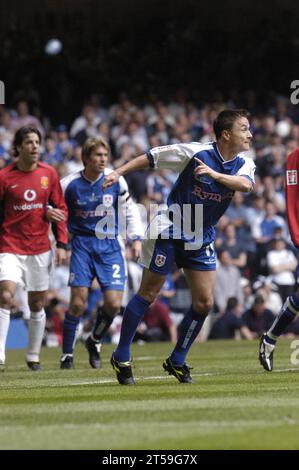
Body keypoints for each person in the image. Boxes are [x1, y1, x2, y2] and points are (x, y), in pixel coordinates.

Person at [103, 108, 255, 385]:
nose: (250, 133)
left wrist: (215, 176)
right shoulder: (195, 152)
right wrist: (118, 171)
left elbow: (245, 186)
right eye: (244, 128)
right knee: (149, 292)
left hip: (201, 234)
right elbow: (152, 157)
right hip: (171, 228)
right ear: (226, 134)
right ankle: (121, 355)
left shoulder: (245, 164)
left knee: (205, 302)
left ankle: (177, 359)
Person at [60, 137, 143, 369]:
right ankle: (67, 355)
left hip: (110, 246)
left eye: (105, 156)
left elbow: (130, 211)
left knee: (114, 304)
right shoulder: (69, 184)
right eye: (97, 155)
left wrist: (135, 238)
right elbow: (53, 209)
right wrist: (60, 242)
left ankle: (94, 339)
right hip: (82, 246)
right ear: (85, 158)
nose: (102, 160)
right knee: (78, 303)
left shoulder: (115, 180)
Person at [0, 126, 68, 370]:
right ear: (18, 147)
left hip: (40, 248)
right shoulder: (4, 177)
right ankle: (0, 355)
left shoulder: (49, 174)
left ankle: (33, 355)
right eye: (29, 142)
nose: (35, 146)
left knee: (37, 303)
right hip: (9, 246)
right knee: (6, 295)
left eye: (37, 142)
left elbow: (60, 209)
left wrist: (61, 243)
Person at [259, 147, 299, 371]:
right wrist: (296, 234)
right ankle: (270, 339)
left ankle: (269, 339)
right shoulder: (295, 157)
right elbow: (293, 198)